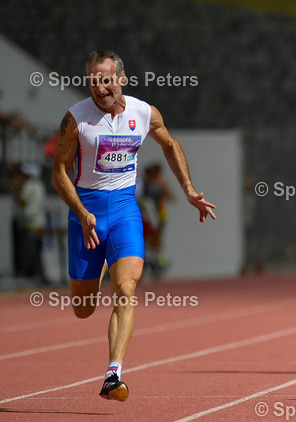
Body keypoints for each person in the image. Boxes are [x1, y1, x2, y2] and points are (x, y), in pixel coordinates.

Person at [51, 50, 216, 401]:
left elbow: (170, 144)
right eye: (93, 80)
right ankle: (94, 270)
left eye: (106, 79)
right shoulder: (75, 119)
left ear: (122, 78)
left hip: (125, 209)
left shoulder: (144, 112)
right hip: (87, 212)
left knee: (126, 288)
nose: (100, 88)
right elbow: (59, 171)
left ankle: (114, 373)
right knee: (83, 309)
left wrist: (187, 188)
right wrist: (81, 213)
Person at [11, 163, 47, 282]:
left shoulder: (29, 185)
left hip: (30, 222)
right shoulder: (40, 185)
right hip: (39, 221)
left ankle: (32, 275)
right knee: (38, 249)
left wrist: (16, 191)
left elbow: (23, 201)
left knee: (29, 250)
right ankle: (40, 273)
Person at [138, 163, 172, 279]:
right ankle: (145, 262)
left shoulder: (160, 183)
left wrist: (163, 188)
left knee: (157, 240)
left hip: (159, 215)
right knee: (145, 239)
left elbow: (170, 196)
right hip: (146, 216)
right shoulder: (143, 183)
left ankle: (158, 262)